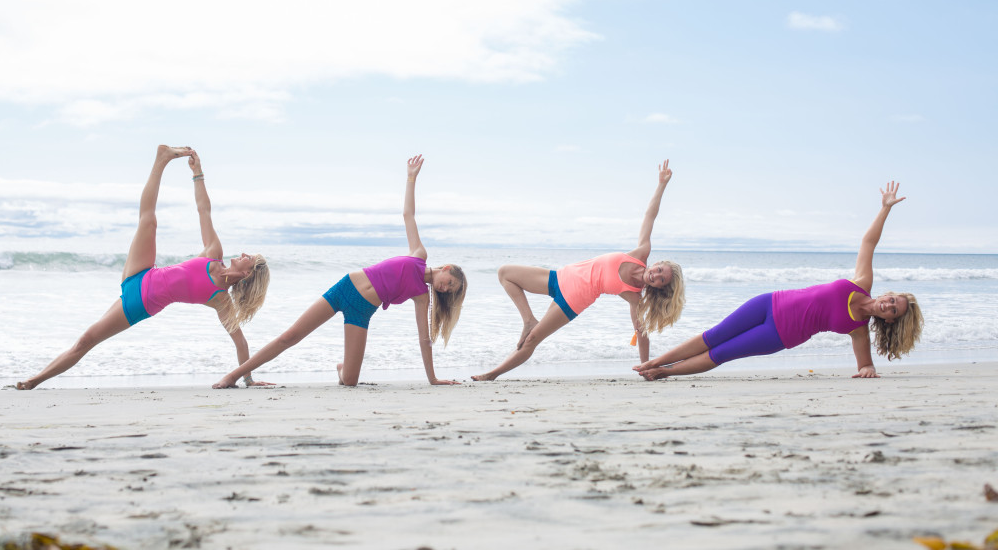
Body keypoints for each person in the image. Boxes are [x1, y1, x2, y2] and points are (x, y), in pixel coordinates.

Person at [16, 145, 271, 390]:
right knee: (148, 221)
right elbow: (204, 210)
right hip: (144, 272)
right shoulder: (213, 254)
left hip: (141, 303)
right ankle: (161, 159)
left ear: (248, 273)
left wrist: (247, 379)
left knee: (87, 340)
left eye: (250, 257)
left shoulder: (220, 300)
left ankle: (34, 381)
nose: (245, 253)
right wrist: (197, 173)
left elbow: (240, 342)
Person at [212, 155, 467, 388]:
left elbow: (424, 339)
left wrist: (433, 379)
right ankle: (233, 376)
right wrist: (411, 178)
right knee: (291, 336)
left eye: (448, 290)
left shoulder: (422, 297)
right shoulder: (419, 256)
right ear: (446, 269)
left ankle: (342, 368)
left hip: (363, 310)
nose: (444, 289)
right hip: (345, 288)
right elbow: (408, 215)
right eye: (449, 283)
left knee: (350, 382)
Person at [634, 181, 923, 381]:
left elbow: (865, 366)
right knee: (713, 336)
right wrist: (885, 208)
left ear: (889, 320)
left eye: (893, 310)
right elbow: (868, 242)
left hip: (780, 334)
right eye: (893, 299)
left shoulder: (859, 330)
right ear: (888, 293)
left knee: (721, 353)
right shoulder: (861, 282)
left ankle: (664, 372)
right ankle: (655, 362)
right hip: (769, 302)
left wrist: (868, 369)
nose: (888, 304)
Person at [472, 159, 684, 382]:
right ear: (656, 263)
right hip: (558, 276)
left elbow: (641, 333)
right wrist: (661, 185)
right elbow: (650, 216)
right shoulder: (640, 253)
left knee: (532, 340)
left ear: (658, 287)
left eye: (661, 280)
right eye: (660, 269)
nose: (656, 275)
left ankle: (492, 374)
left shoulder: (634, 296)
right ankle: (528, 320)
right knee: (505, 272)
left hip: (573, 300)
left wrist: (645, 366)